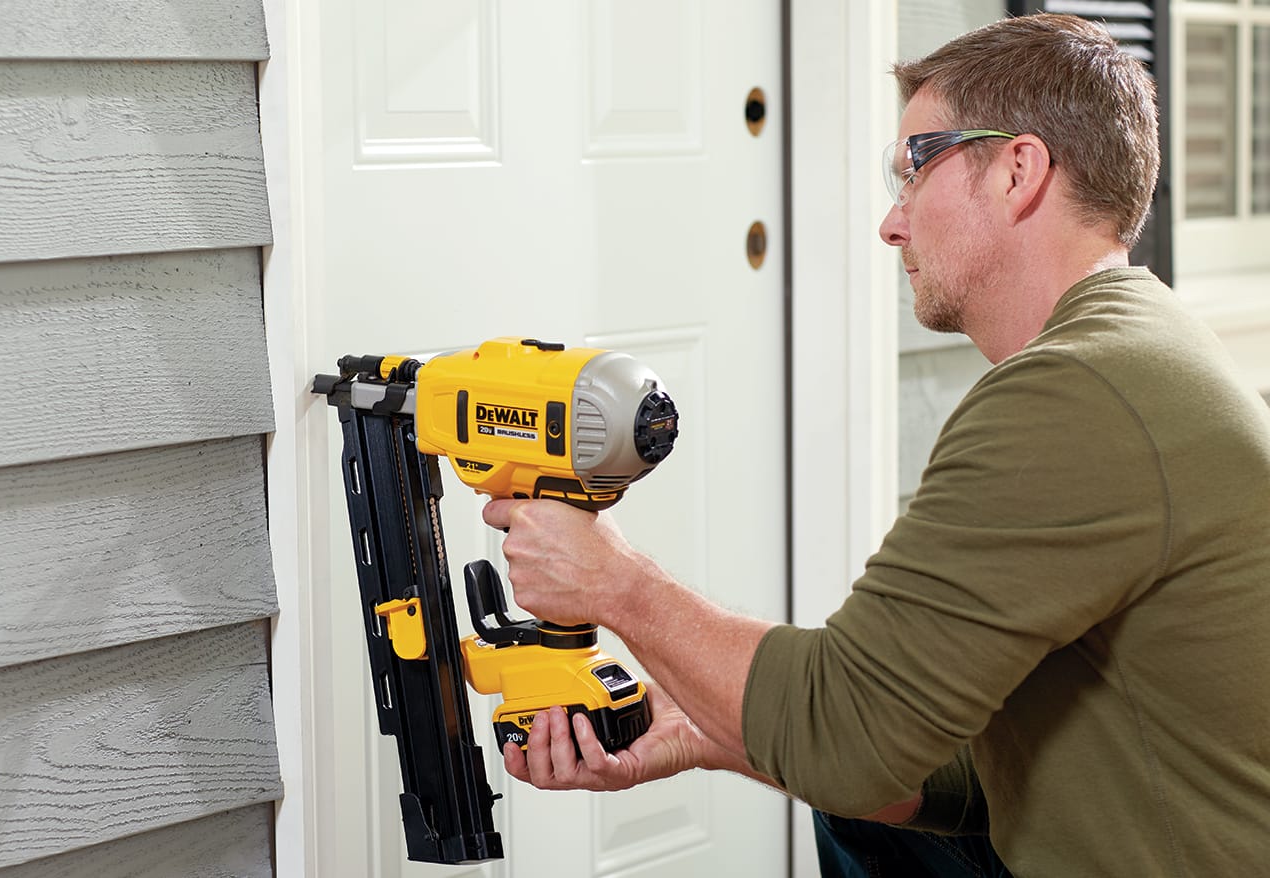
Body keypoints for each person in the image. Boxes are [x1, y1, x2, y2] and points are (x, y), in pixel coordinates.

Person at [481, 13, 1270, 878]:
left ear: (1017, 170)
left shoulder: (1078, 394)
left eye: (914, 168)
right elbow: (970, 774)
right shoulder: (1138, 345)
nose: (892, 224)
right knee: (858, 815)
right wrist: (702, 728)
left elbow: (847, 735)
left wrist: (614, 584)